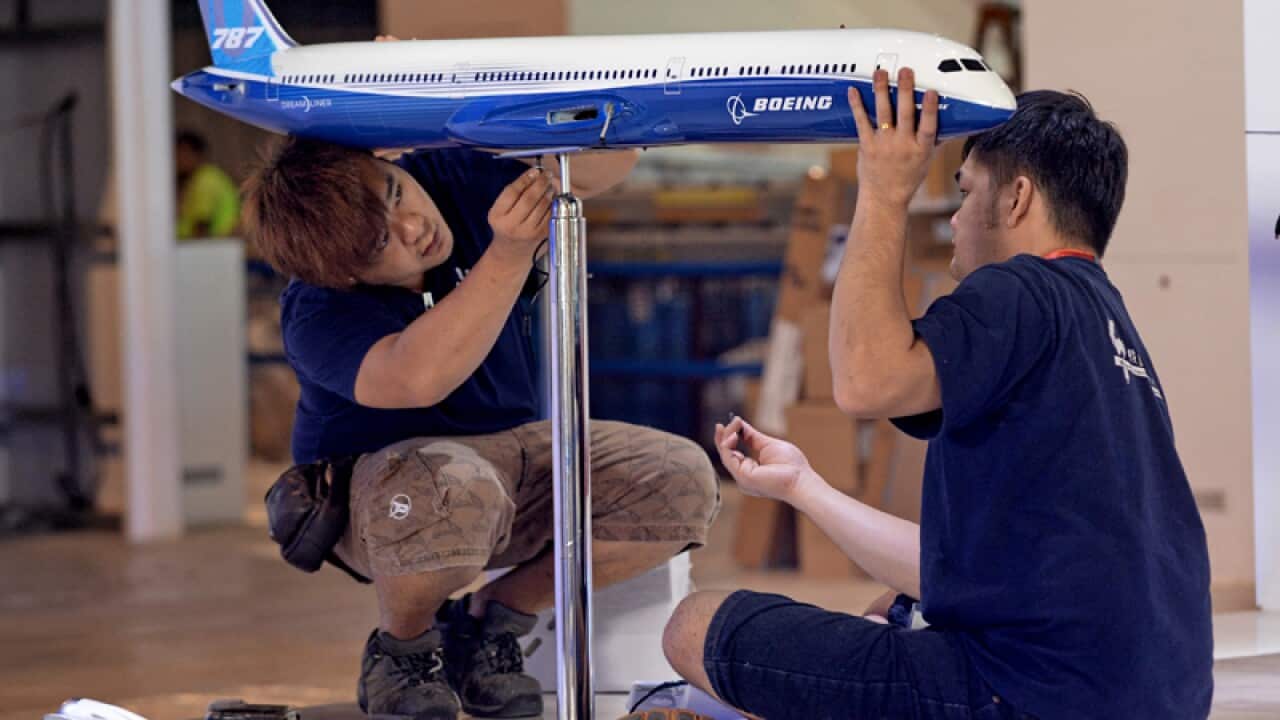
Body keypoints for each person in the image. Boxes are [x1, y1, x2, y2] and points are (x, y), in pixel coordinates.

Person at [662, 69, 1213, 720]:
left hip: (1026, 696)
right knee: (888, 608)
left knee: (694, 625)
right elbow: (956, 571)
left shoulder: (1021, 288)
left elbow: (865, 378)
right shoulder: (1108, 330)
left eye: (965, 192)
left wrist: (883, 190)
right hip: (1153, 701)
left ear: (1015, 200)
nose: (954, 219)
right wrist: (802, 486)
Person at [241, 139, 719, 720]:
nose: (414, 226)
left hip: (507, 461)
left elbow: (606, 165)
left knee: (679, 477)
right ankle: (402, 648)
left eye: (396, 193)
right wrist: (510, 251)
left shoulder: (445, 174)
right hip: (384, 496)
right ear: (343, 273)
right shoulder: (315, 310)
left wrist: (459, 117)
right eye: (379, 241)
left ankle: (489, 622)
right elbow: (418, 377)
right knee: (450, 484)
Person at [175, 130, 240, 239]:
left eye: (181, 153)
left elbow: (201, 226)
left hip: (215, 246)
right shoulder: (200, 177)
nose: (177, 159)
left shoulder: (205, 180)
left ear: (195, 154)